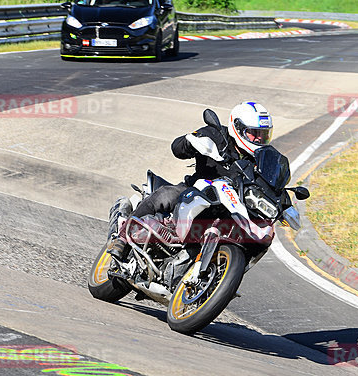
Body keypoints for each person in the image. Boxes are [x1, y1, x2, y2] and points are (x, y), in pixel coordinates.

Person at [107, 101, 273, 258]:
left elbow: (272, 181)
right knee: (166, 195)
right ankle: (122, 238)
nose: (259, 139)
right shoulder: (216, 135)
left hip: (231, 207)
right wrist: (191, 142)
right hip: (195, 190)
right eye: (255, 133)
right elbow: (176, 148)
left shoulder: (262, 158)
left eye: (264, 134)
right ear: (238, 127)